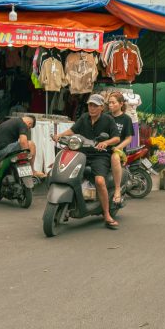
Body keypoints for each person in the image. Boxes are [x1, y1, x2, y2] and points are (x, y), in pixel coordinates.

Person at [53, 94, 120, 228]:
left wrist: (106, 143)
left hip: (100, 155)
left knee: (100, 181)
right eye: (90, 105)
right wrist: (60, 135)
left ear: (102, 107)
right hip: (82, 153)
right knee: (68, 173)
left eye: (95, 105)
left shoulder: (108, 120)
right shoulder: (84, 117)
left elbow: (117, 138)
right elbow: (73, 130)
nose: (92, 108)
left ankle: (106, 214)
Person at [105, 91, 133, 205]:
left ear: (121, 104)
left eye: (113, 102)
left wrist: (117, 148)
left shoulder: (126, 119)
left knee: (115, 157)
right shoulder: (105, 116)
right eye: (109, 103)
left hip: (118, 151)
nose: (110, 105)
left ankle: (117, 190)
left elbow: (128, 138)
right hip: (104, 148)